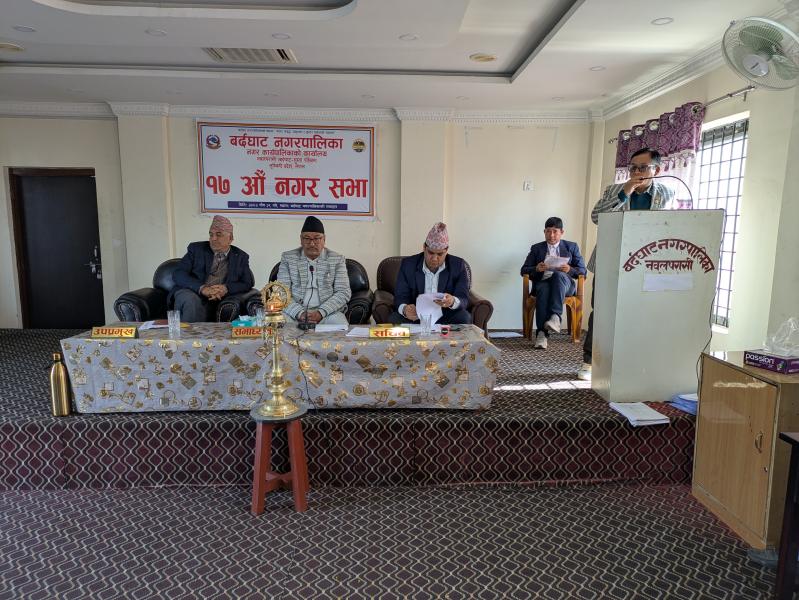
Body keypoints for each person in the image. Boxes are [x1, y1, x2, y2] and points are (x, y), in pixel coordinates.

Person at [578, 147, 676, 380]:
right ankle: (589, 362)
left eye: (643, 168)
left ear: (656, 170)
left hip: (646, 265)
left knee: (639, 312)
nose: (637, 172)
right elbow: (596, 217)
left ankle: (633, 361)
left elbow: (670, 225)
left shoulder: (667, 193)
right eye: (633, 168)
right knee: (601, 312)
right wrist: (624, 194)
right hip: (610, 260)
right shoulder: (614, 190)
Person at [172, 215, 255, 322]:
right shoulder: (196, 249)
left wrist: (226, 288)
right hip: (193, 291)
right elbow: (178, 274)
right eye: (211, 235)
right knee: (190, 299)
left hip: (219, 298)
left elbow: (247, 282)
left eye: (218, 235)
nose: (213, 238)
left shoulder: (240, 257)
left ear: (230, 238)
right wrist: (202, 288)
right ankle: (189, 333)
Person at [520, 217, 586, 350]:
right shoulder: (537, 248)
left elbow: (583, 271)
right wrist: (536, 268)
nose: (551, 235)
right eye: (548, 231)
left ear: (562, 232)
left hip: (564, 285)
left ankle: (555, 316)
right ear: (544, 232)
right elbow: (524, 270)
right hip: (543, 282)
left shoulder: (571, 247)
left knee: (557, 275)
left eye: (555, 231)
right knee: (544, 289)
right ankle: (541, 334)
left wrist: (570, 269)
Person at [390, 222, 471, 325]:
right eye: (431, 253)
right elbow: (400, 295)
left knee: (464, 317)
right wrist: (405, 309)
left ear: (446, 250)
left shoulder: (458, 265)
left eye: (440, 254)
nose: (434, 258)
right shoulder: (408, 264)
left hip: (445, 315)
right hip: (416, 316)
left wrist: (452, 301)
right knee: (394, 318)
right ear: (424, 247)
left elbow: (463, 297)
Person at [277, 216, 351, 326]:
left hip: (328, 313)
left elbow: (343, 292)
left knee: (341, 326)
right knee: (276, 324)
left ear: (324, 240)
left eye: (317, 239)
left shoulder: (336, 259)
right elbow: (281, 292)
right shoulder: (288, 258)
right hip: (295, 313)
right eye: (307, 238)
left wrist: (321, 312)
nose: (312, 243)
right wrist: (299, 313)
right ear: (301, 240)